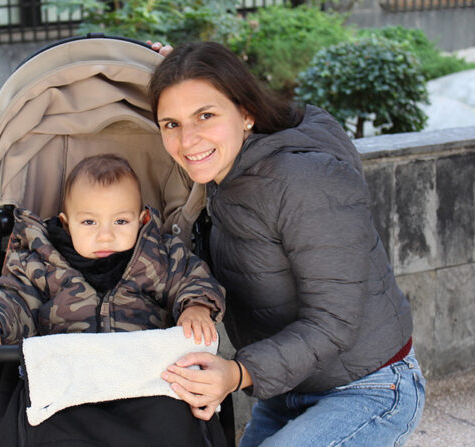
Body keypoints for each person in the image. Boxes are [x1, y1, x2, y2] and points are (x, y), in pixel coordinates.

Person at [149, 41, 425, 446]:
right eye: (171, 123)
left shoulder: (303, 180)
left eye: (205, 115)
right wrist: (174, 70)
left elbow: (333, 322)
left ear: (247, 113)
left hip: (370, 387)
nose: (188, 140)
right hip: (288, 389)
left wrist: (237, 373)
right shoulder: (222, 176)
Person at [0, 153, 226, 446]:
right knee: (43, 423)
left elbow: (192, 277)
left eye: (121, 221)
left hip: (147, 388)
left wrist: (197, 306)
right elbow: (14, 295)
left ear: (142, 219)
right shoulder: (43, 262)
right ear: (66, 222)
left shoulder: (159, 255)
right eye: (89, 222)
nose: (105, 236)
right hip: (67, 392)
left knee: (176, 418)